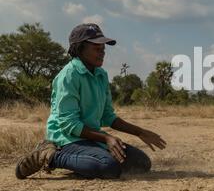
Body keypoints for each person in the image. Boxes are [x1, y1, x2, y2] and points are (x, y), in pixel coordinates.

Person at [15, 23, 167, 179]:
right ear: (80, 49)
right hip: (66, 140)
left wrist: (140, 132)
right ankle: (50, 155)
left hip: (90, 139)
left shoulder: (101, 75)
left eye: (103, 49)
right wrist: (107, 138)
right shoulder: (69, 76)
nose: (102, 53)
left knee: (141, 163)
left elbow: (108, 116)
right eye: (96, 49)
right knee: (108, 167)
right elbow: (70, 124)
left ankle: (84, 161)